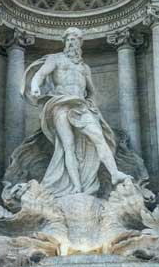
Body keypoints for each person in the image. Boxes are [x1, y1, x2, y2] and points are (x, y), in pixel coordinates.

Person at [24, 27, 130, 196]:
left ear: (80, 43)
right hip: (61, 104)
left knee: (99, 138)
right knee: (68, 146)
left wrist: (92, 105)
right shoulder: (55, 59)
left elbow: (92, 91)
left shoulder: (84, 68)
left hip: (81, 106)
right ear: (64, 42)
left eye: (74, 39)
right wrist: (35, 86)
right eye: (68, 39)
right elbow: (40, 74)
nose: (71, 42)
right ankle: (76, 187)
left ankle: (114, 173)